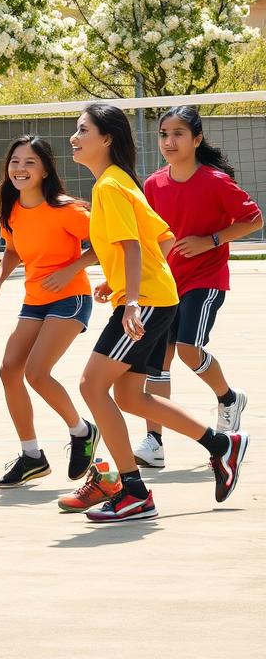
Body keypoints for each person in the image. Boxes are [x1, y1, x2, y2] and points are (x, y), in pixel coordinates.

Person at [71, 104, 249, 523]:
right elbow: (162, 239)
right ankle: (222, 446)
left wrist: (132, 297)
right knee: (130, 396)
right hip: (155, 297)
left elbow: (134, 245)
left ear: (107, 139)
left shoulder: (111, 188)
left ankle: (133, 493)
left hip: (145, 302)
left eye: (82, 130)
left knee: (92, 387)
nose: (74, 138)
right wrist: (120, 283)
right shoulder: (126, 184)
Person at [132, 106, 263, 468]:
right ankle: (154, 442)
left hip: (205, 279)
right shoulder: (153, 184)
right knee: (158, 362)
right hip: (165, 284)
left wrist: (212, 239)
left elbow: (253, 219)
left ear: (197, 138)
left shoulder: (215, 181)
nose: (169, 141)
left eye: (178, 134)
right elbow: (152, 236)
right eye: (163, 135)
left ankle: (228, 398)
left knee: (189, 348)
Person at [0, 136, 99, 487]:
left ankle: (82, 432)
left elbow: (110, 241)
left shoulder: (68, 210)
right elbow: (13, 250)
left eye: (30, 162)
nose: (20, 168)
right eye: (15, 161)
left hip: (71, 296)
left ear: (45, 169)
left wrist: (71, 268)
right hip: (35, 298)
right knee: (8, 370)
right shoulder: (12, 208)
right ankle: (32, 456)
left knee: (37, 372)